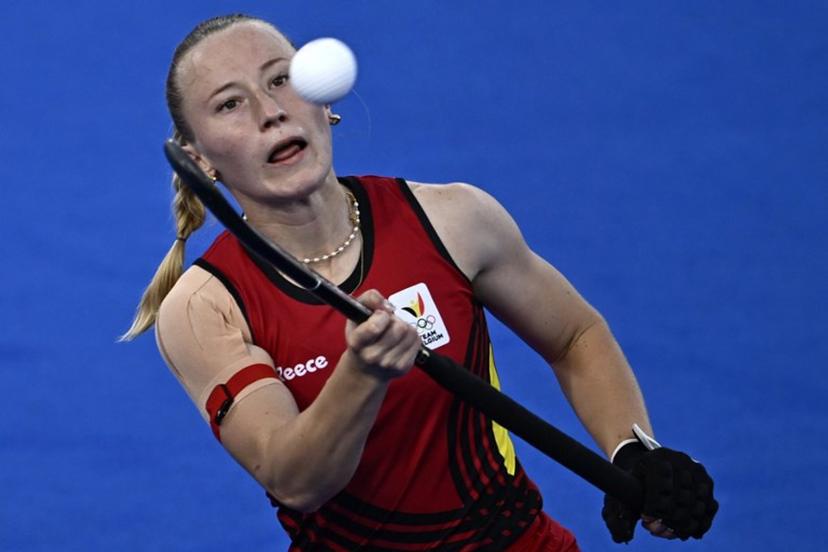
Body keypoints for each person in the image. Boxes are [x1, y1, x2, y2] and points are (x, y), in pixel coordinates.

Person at [123, 13, 717, 551]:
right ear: (198, 158)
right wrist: (363, 374)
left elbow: (574, 336)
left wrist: (633, 448)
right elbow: (294, 479)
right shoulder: (205, 307)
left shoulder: (453, 219)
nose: (269, 111)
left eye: (282, 79)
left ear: (323, 100)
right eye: (229, 104)